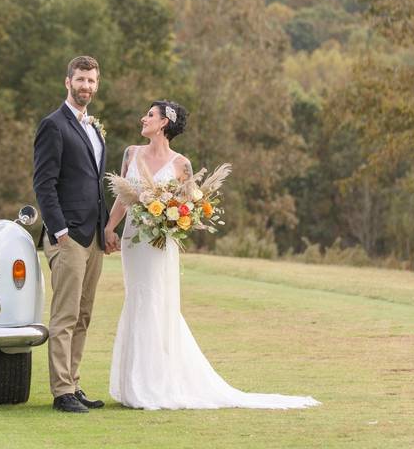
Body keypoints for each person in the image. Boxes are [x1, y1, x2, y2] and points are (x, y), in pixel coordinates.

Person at [105, 100, 320, 411]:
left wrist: (172, 217)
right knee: (137, 299)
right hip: (133, 242)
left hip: (159, 245)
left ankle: (155, 383)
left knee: (157, 302)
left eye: (150, 115)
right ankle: (134, 383)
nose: (143, 118)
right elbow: (122, 199)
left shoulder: (182, 165)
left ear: (165, 122)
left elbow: (188, 208)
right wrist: (110, 228)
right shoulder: (131, 153)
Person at [33, 55, 120, 414]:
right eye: (80, 79)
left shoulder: (94, 128)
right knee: (65, 316)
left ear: (97, 85)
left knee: (83, 315)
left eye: (92, 81)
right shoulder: (53, 125)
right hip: (68, 238)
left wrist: (106, 229)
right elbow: (43, 183)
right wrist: (60, 230)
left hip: (94, 236)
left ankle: (75, 382)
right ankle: (61, 392)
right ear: (67, 81)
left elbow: (95, 184)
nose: (86, 86)